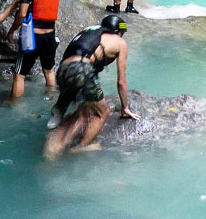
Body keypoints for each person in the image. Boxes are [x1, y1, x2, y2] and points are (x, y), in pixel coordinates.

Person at [44, 14, 138, 159]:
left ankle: (56, 128)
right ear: (119, 32)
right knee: (103, 112)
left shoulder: (91, 32)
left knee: (83, 111)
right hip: (82, 70)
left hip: (63, 70)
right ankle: (83, 146)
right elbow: (121, 82)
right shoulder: (120, 42)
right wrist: (125, 108)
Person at [7, 0, 60, 99]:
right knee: (49, 71)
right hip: (50, 36)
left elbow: (22, 13)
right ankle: (52, 99)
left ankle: (15, 108)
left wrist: (12, 30)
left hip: (33, 38)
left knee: (20, 74)